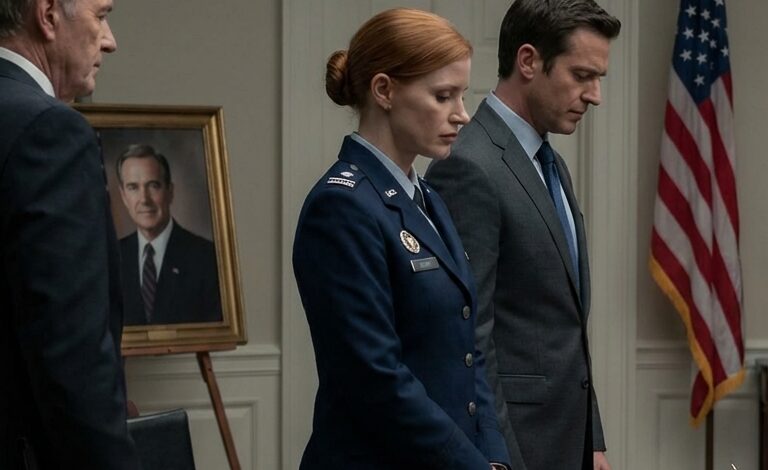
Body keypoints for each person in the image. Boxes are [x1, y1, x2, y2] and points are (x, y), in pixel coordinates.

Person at [292, 8, 510, 469]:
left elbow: (468, 350)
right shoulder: (341, 207)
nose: (462, 115)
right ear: (384, 90)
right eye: (443, 96)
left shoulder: (428, 198)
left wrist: (493, 456)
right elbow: (373, 378)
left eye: (462, 96)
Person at [425, 1, 621, 469]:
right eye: (581, 76)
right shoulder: (468, 165)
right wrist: (501, 460)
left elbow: (564, 325)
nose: (595, 95)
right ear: (528, 61)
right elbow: (469, 336)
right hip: (515, 449)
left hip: (567, 442)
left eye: (599, 78)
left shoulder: (550, 163)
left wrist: (590, 440)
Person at [0, 0, 142, 468]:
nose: (110, 40)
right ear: (47, 15)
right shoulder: (48, 131)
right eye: (100, 15)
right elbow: (72, 361)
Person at [116, 144, 222, 325]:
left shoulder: (207, 257)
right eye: (133, 187)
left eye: (153, 186)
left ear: (170, 191)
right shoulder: (112, 258)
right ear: (124, 196)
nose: (144, 199)